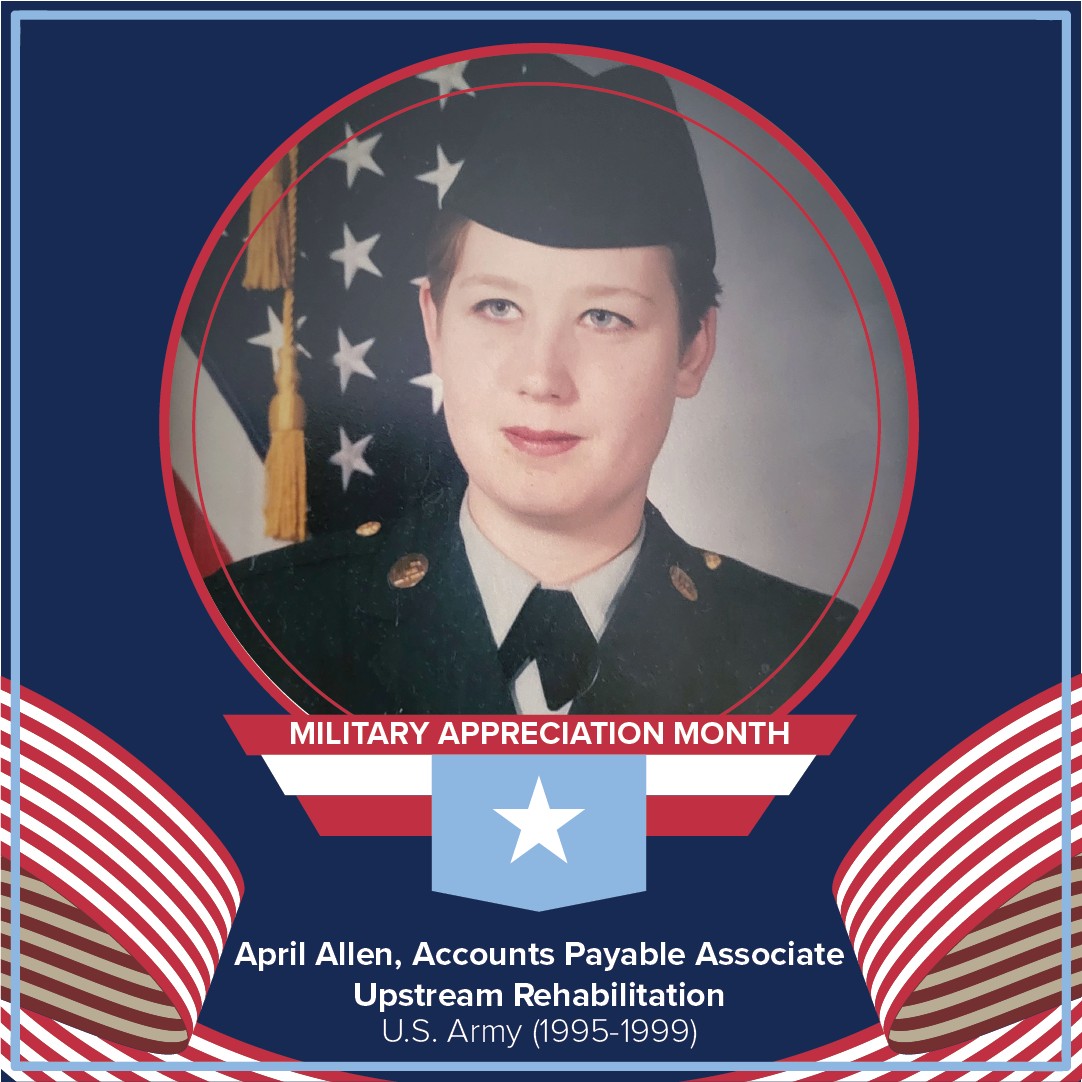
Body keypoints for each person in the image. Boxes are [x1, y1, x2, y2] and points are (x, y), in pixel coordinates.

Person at [207, 58, 856, 716]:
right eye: (498, 307)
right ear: (434, 325)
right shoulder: (254, 634)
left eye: (604, 317)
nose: (542, 379)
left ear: (693, 350)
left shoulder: (818, 660)